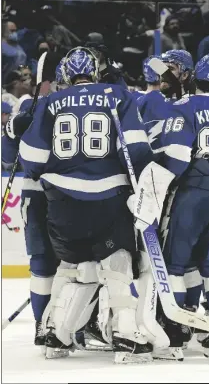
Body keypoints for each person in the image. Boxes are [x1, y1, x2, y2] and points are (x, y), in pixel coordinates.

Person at [18, 47, 157, 363]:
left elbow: (32, 159)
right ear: (96, 72)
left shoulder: (52, 102)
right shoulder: (117, 95)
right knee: (117, 262)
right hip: (108, 198)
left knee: (73, 265)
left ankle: (56, 331)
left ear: (65, 76)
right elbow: (136, 150)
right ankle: (124, 333)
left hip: (61, 202)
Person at [152, 55, 209, 361]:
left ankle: (176, 336)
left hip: (192, 194)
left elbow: (175, 156)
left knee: (175, 264)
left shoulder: (184, 107)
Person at [2, 54, 63, 349]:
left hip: (70, 194)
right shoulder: (27, 104)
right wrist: (19, 126)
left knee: (77, 262)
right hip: (40, 193)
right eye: (52, 79)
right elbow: (7, 150)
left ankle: (74, 323)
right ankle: (42, 325)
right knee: (42, 262)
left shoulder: (70, 103)